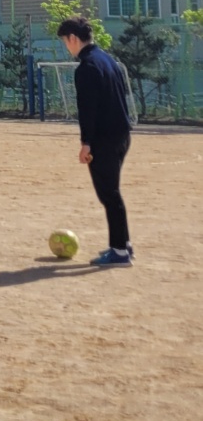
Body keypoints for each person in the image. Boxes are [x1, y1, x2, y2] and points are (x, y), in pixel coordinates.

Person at [57, 17, 135, 266]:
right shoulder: (108, 60)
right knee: (112, 192)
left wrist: (86, 143)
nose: (66, 46)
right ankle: (124, 244)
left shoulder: (87, 67)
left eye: (65, 41)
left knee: (109, 195)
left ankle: (120, 251)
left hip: (104, 139)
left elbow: (87, 109)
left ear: (73, 38)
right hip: (122, 134)